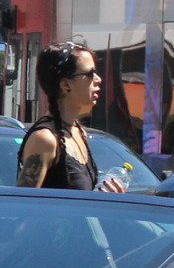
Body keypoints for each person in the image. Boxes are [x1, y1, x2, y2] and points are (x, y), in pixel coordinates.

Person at [16, 43, 128, 192]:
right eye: (90, 74)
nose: (98, 79)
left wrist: (104, 199)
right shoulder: (45, 139)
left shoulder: (78, 131)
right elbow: (22, 202)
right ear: (66, 85)